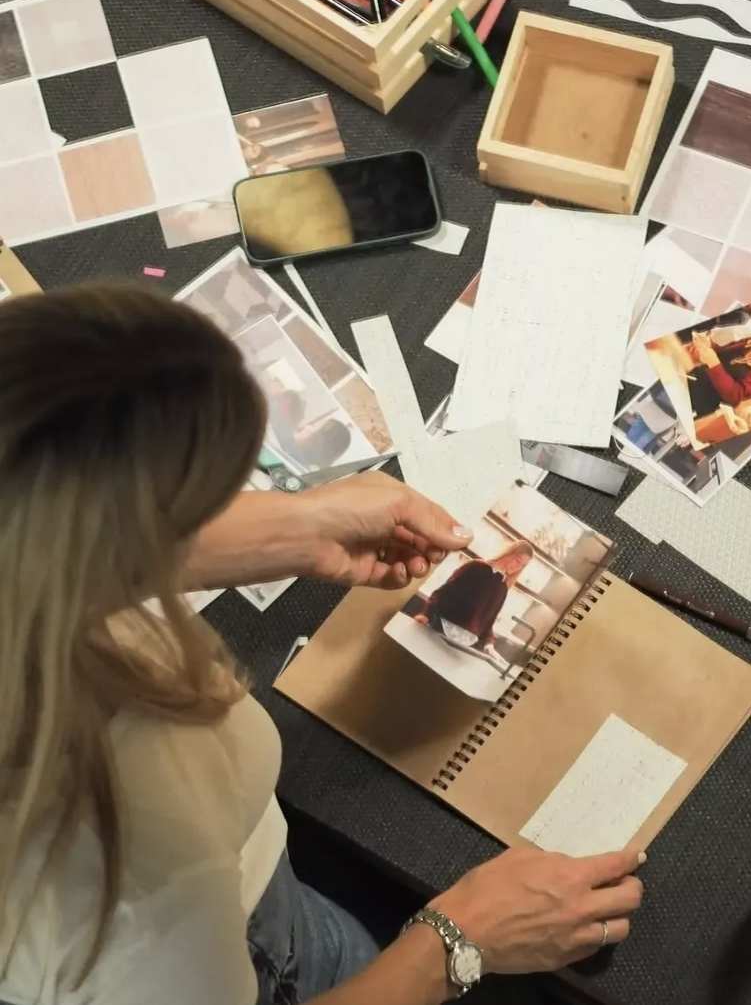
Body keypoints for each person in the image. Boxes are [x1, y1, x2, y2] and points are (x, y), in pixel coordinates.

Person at [0, 286, 644, 1005]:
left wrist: (290, 526)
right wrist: (461, 941)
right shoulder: (139, 847)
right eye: (205, 501)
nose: (225, 511)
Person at [421, 542, 535, 652]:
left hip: (464, 643)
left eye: (522, 565)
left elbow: (489, 621)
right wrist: (426, 614)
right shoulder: (475, 566)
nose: (518, 567)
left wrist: (489, 643)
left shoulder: (502, 588)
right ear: (509, 554)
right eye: (518, 560)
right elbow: (443, 593)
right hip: (440, 628)